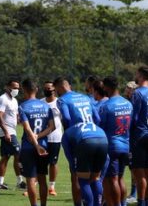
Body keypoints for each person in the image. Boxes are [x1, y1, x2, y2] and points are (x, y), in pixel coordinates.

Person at [55, 77, 101, 206]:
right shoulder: (86, 97)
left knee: (77, 175)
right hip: (97, 135)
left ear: (60, 87)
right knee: (95, 176)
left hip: (79, 139)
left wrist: (70, 134)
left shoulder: (63, 99)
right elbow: (97, 118)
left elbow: (67, 118)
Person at [17, 79, 55, 206]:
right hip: (44, 146)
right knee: (43, 178)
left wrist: (35, 143)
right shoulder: (46, 105)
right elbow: (51, 127)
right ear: (37, 90)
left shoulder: (23, 106)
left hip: (29, 147)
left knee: (31, 180)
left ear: (24, 90)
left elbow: (27, 129)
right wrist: (39, 137)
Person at [99, 76, 132, 206]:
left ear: (106, 87)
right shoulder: (128, 103)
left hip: (111, 146)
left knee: (110, 180)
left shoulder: (106, 105)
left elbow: (100, 126)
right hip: (125, 144)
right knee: (120, 178)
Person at [64, 121, 109, 206]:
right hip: (104, 140)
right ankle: (98, 204)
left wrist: (74, 168)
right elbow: (107, 158)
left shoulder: (67, 133)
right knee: (96, 178)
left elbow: (68, 154)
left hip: (86, 141)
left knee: (83, 180)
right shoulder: (92, 125)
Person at [130, 66, 148, 206]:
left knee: (139, 173)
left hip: (139, 135)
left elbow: (133, 117)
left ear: (140, 75)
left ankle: (142, 202)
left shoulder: (138, 93)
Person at [0, 79, 22, 190]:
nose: (16, 90)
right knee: (18, 153)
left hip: (12, 131)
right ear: (7, 87)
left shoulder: (14, 100)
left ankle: (1, 182)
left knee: (5, 157)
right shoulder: (2, 99)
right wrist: (6, 132)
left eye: (17, 88)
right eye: (14, 87)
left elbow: (15, 116)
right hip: (6, 132)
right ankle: (20, 181)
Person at [42, 81, 62, 197]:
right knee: (40, 163)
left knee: (53, 162)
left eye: (49, 88)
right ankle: (35, 185)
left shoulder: (59, 103)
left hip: (55, 137)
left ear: (54, 90)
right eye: (45, 88)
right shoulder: (40, 102)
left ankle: (52, 187)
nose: (47, 90)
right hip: (42, 138)